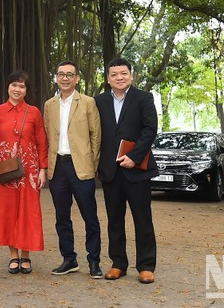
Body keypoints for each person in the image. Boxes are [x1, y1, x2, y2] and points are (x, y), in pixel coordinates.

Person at [95, 58, 159, 284]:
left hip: (137, 170)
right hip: (110, 171)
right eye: (114, 74)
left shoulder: (143, 98)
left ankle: (146, 266)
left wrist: (134, 156)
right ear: (108, 78)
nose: (119, 77)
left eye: (123, 73)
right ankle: (118, 263)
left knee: (142, 219)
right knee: (114, 220)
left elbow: (150, 130)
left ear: (131, 75)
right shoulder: (99, 101)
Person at [43, 60, 103, 279]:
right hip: (58, 167)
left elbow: (95, 135)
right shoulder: (49, 104)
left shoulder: (87, 102)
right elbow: (48, 133)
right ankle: (69, 259)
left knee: (90, 217)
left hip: (81, 167)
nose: (65, 78)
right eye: (61, 74)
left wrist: (93, 164)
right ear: (57, 78)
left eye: (70, 74)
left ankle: (94, 261)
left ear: (77, 78)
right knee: (62, 217)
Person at [0, 70, 48, 274]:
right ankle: (13, 255)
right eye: (14, 85)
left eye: (22, 86)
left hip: (29, 171)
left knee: (29, 212)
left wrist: (42, 170)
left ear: (26, 90)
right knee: (7, 212)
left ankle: (26, 255)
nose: (17, 89)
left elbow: (41, 141)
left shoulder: (34, 112)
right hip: (4, 171)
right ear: (7, 87)